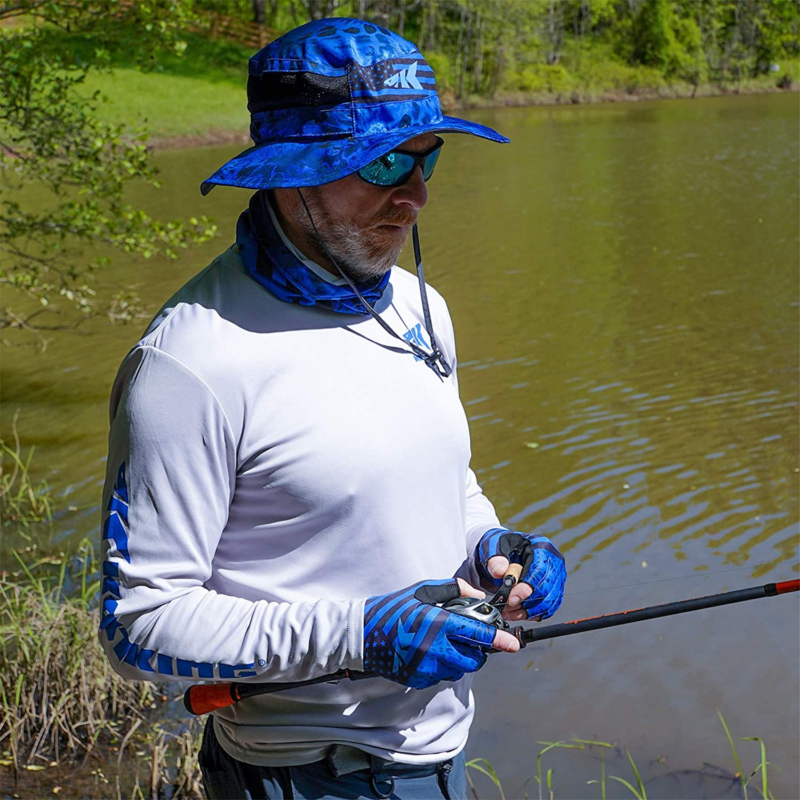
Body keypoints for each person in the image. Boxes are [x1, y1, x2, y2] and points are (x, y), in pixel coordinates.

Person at [99, 17, 567, 800]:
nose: (414, 196)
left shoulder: (421, 308)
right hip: (304, 775)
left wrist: (491, 540)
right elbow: (137, 628)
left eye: (428, 160)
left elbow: (441, 480)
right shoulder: (191, 364)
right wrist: (361, 637)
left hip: (440, 753)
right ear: (291, 173)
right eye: (384, 164)